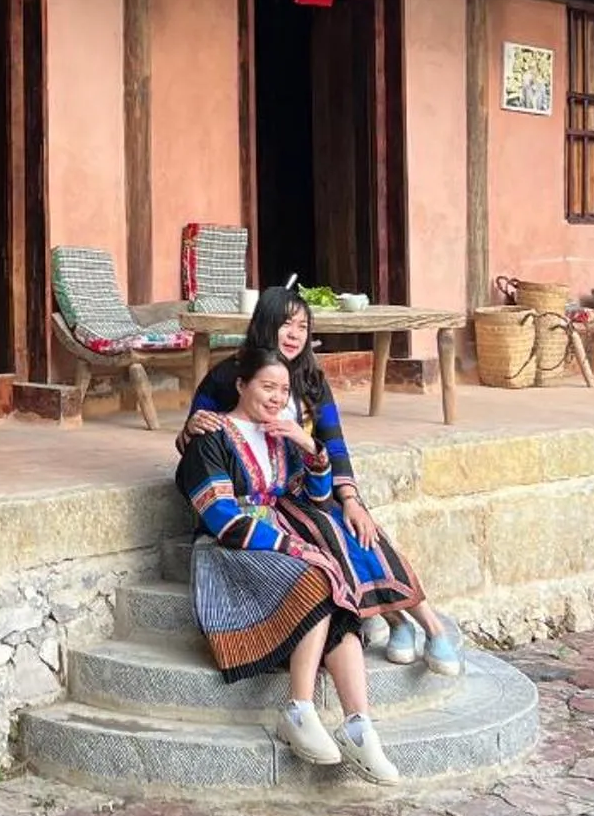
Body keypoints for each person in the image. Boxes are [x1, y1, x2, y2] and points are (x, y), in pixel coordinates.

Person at [179, 285, 463, 675]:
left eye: (302, 326)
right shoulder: (229, 376)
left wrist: (351, 499)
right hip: (260, 499)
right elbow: (199, 444)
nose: (294, 334)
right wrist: (189, 428)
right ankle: (394, 620)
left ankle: (424, 626)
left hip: (308, 486)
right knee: (327, 532)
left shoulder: (311, 379)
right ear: (265, 326)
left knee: (354, 525)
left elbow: (333, 442)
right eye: (285, 325)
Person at [171, 344, 400, 781]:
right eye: (267, 386)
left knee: (336, 599)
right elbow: (222, 518)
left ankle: (359, 727)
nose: (276, 397)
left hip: (280, 541)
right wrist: (296, 548)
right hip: (232, 554)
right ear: (241, 385)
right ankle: (298, 708)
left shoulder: (279, 434)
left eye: (283, 389)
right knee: (318, 578)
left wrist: (309, 447)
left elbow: (315, 497)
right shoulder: (211, 437)